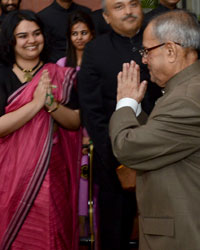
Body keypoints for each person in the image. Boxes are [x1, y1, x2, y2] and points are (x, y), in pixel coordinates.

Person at [109, 10, 200, 250]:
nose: (144, 60)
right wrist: (136, 111)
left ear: (170, 50)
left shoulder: (188, 98)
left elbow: (128, 148)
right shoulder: (185, 90)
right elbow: (162, 137)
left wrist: (125, 103)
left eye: (147, 51)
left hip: (181, 234)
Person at [78, 0, 161, 249]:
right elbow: (92, 111)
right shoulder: (95, 51)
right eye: (119, 6)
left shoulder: (162, 42)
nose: (128, 11)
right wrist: (118, 157)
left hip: (164, 154)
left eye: (133, 4)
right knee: (116, 231)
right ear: (105, 17)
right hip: (116, 160)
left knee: (163, 227)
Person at [0, 10, 81, 250]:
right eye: (23, 35)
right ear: (10, 40)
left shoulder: (59, 74)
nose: (32, 40)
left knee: (52, 234)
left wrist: (51, 104)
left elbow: (75, 121)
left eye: (36, 33)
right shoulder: (2, 75)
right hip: (9, 174)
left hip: (51, 171)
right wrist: (35, 104)